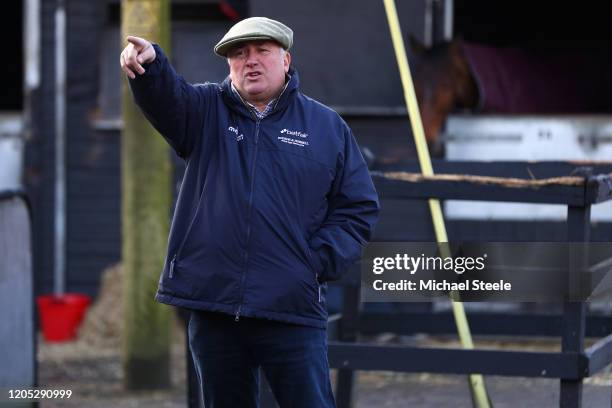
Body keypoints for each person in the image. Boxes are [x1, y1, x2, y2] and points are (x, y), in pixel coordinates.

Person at [120, 16, 379, 408]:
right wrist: (151, 65)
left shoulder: (327, 127)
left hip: (291, 309)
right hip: (216, 309)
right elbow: (166, 98)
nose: (250, 61)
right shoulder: (205, 111)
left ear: (286, 60)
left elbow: (358, 208)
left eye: (262, 51)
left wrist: (314, 262)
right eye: (239, 54)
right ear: (229, 65)